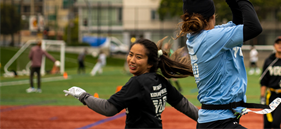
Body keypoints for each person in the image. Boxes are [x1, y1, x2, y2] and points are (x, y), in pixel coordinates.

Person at [176, 0, 263, 128]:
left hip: (215, 121)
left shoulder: (201, 37)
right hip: (218, 123)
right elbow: (254, 28)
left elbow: (238, 24)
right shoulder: (211, 38)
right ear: (212, 16)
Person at [63, 38, 198, 129]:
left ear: (150, 63)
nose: (131, 60)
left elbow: (108, 108)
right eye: (130, 54)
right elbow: (184, 105)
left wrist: (83, 96)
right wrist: (208, 120)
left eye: (138, 57)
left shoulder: (137, 83)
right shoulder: (160, 80)